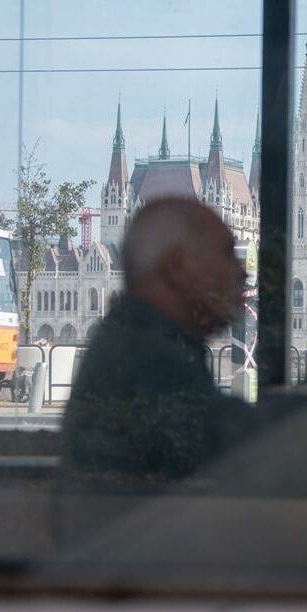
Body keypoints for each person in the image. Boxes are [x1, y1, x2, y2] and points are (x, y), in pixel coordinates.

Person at [61, 198, 257, 485]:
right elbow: (237, 439)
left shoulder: (140, 338)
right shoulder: (146, 359)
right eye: (226, 254)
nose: (242, 273)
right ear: (177, 266)